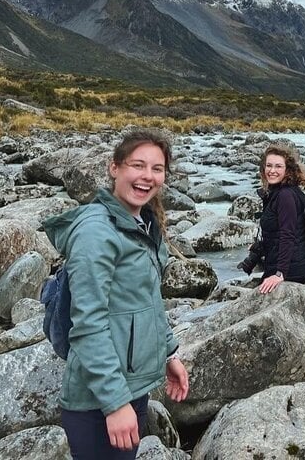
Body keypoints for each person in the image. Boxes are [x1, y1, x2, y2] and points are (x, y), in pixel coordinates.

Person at [43, 129, 190, 459]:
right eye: (137, 165)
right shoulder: (96, 232)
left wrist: (168, 353)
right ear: (114, 168)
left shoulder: (142, 223)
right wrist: (115, 404)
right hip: (98, 400)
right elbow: (88, 325)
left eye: (157, 168)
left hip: (129, 387)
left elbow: (147, 300)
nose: (147, 177)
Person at [255, 143, 305, 293]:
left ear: (287, 170)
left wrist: (279, 274)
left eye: (278, 166)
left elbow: (288, 235)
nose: (272, 171)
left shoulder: (285, 196)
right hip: (292, 264)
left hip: (293, 270)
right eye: (269, 166)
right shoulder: (277, 191)